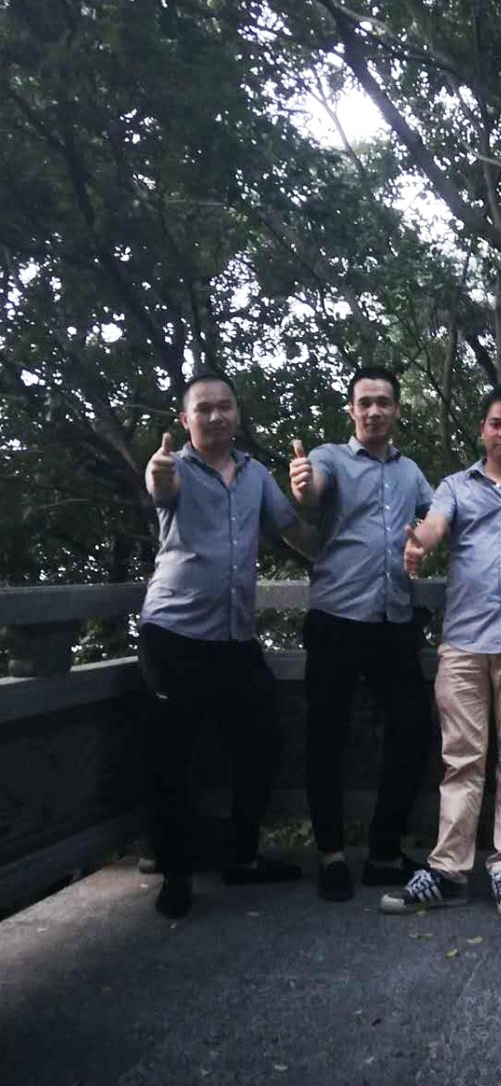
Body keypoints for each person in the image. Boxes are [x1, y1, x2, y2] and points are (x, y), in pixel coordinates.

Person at [379, 386, 501, 919]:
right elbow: (435, 525)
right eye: (496, 423)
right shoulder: (455, 486)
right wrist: (420, 542)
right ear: (482, 430)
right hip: (465, 640)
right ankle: (448, 871)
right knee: (462, 759)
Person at [140, 373, 316, 920]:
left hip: (236, 637)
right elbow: (160, 486)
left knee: (262, 741)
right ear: (185, 419)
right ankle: (176, 872)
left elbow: (292, 530)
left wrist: (351, 553)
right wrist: (156, 474)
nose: (216, 416)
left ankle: (242, 855)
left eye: (225, 407)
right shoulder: (174, 468)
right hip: (174, 634)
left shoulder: (255, 474)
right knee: (174, 755)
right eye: (204, 409)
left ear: (237, 414)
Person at [289, 367, 434, 902]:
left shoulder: (410, 472)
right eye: (365, 402)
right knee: (325, 737)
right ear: (351, 410)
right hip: (336, 620)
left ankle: (383, 852)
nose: (374, 411)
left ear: (396, 409)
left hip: (393, 621)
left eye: (384, 402)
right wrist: (303, 484)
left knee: (413, 729)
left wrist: (425, 540)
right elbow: (312, 490)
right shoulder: (329, 458)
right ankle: (331, 855)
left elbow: (438, 517)